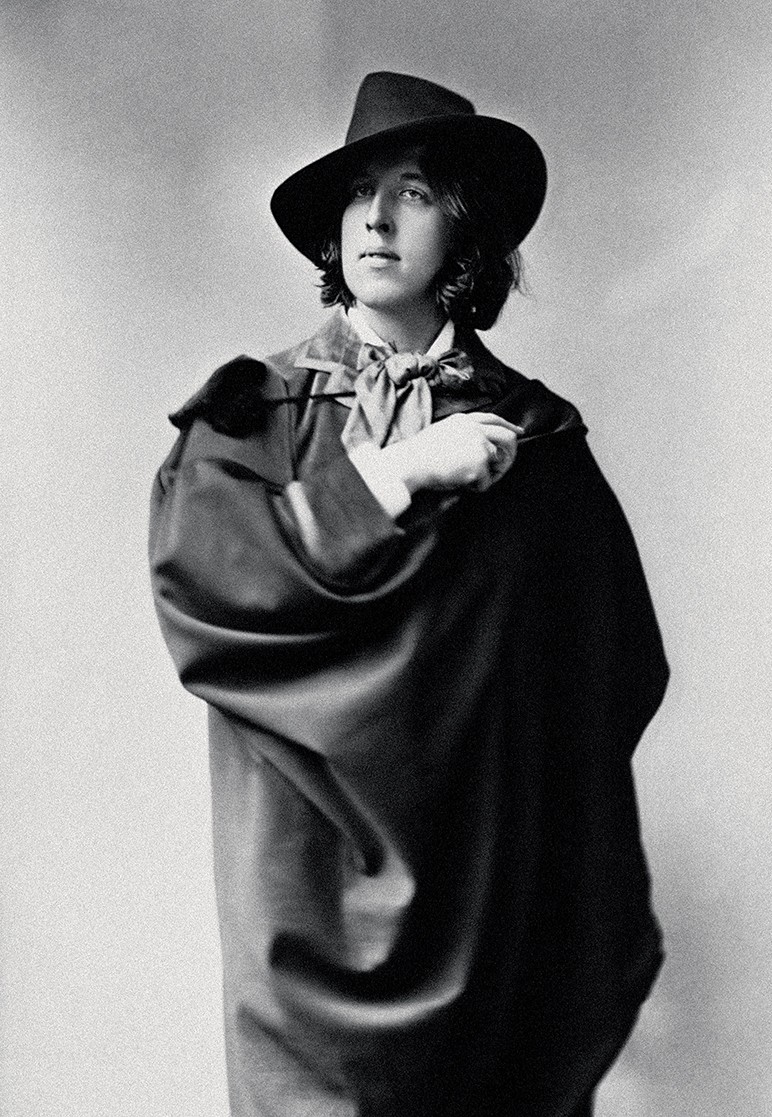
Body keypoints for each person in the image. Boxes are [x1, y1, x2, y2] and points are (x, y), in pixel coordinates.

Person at [149, 72, 669, 1117]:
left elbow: (610, 671)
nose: (377, 219)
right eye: (358, 193)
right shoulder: (255, 418)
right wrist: (396, 475)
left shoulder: (538, 442)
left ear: (465, 231)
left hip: (490, 910)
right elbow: (210, 583)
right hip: (305, 900)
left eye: (415, 192)